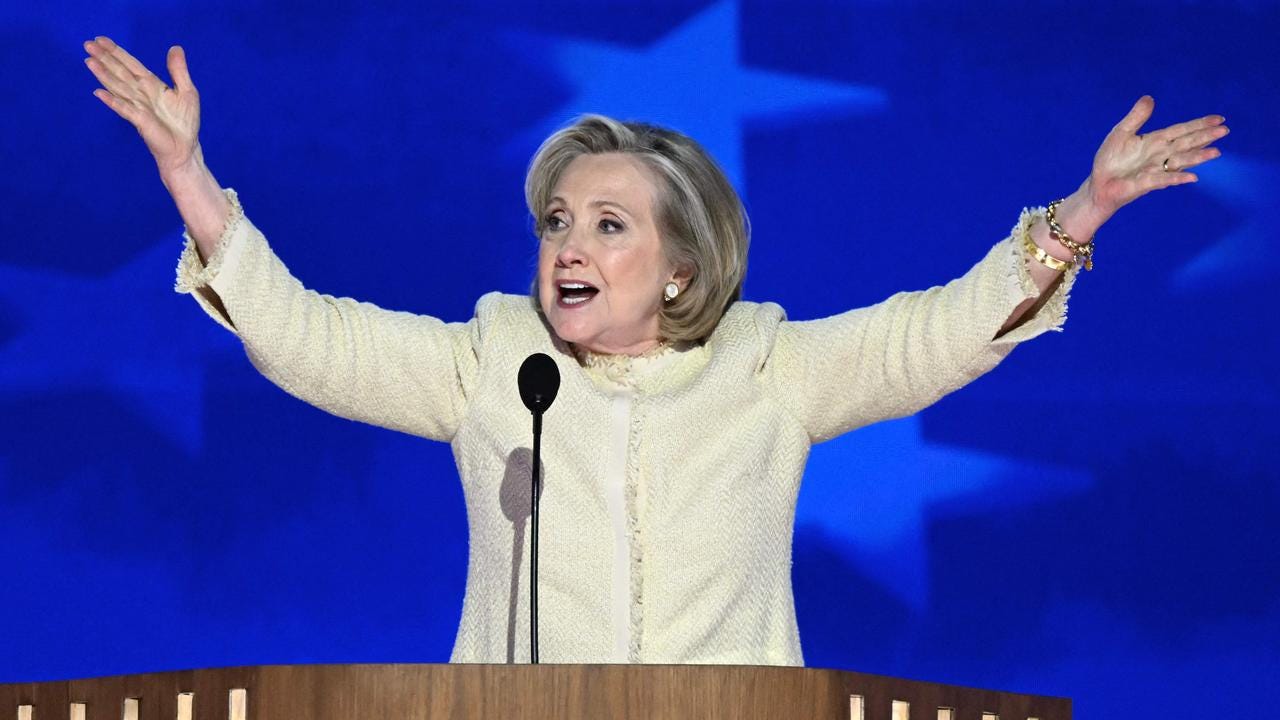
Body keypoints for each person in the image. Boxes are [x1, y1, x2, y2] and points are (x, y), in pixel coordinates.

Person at [84, 36, 1228, 666]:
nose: (569, 247)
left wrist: (1077, 215)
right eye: (555, 223)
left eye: (607, 224)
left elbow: (935, 333)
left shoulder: (767, 368)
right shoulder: (493, 365)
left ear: (680, 265)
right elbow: (306, 340)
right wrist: (189, 178)